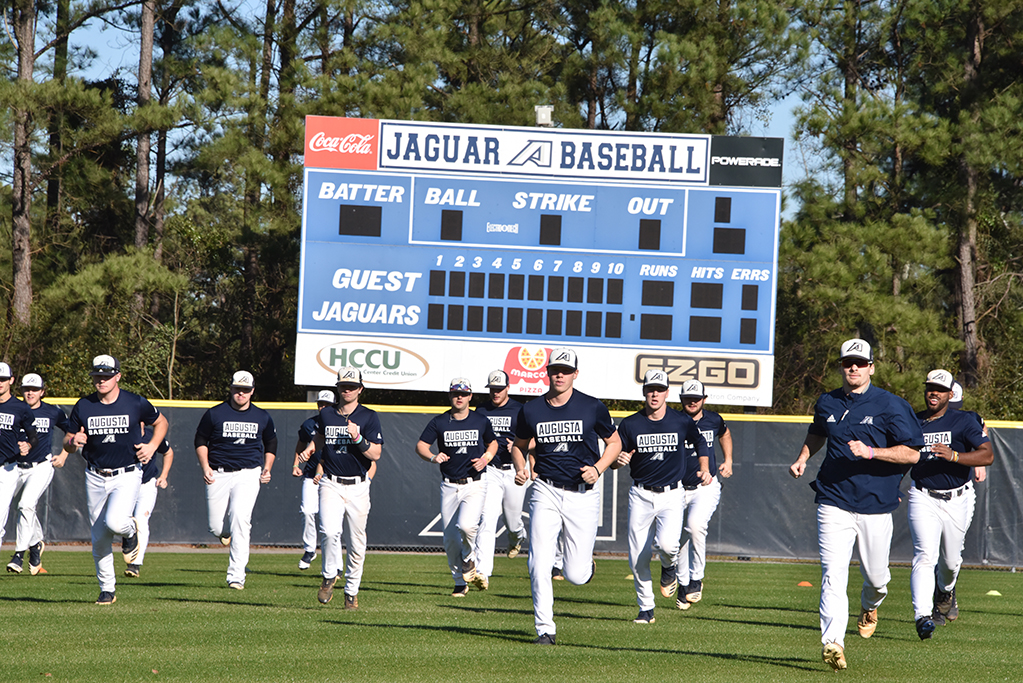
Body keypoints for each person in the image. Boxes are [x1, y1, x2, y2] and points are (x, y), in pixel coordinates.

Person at [789, 339, 922, 671]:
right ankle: (833, 642)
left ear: (871, 368)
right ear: (841, 366)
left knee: (877, 579)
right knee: (833, 575)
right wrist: (804, 456)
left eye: (860, 363)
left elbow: (913, 453)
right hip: (833, 500)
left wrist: (873, 452)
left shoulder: (891, 405)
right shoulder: (827, 401)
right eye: (848, 362)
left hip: (875, 504)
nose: (853, 367)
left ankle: (870, 604)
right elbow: (818, 430)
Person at [510, 347, 622, 645]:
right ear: (547, 372)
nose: (559, 374)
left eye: (565, 370)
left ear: (575, 374)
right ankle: (545, 629)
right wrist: (521, 468)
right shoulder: (531, 409)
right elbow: (518, 446)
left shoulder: (592, 407)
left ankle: (585, 570)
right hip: (545, 489)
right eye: (554, 369)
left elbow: (614, 443)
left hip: (582, 494)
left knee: (574, 573)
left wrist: (598, 468)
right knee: (538, 562)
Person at [65, 355, 168, 605]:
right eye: (97, 376)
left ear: (118, 376)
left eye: (106, 375)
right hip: (95, 475)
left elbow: (161, 422)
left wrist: (152, 446)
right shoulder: (84, 405)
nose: (101, 380)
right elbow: (67, 441)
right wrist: (72, 443)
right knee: (99, 536)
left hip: (127, 473)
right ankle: (107, 588)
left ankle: (130, 531)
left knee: (114, 521)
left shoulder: (134, 402)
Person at [614, 370, 711, 624]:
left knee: (668, 545)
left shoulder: (680, 421)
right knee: (638, 557)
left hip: (672, 493)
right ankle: (646, 609)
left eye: (659, 389)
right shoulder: (630, 423)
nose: (654, 393)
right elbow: (615, 455)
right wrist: (617, 460)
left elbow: (700, 442)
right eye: (650, 389)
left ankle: (669, 567)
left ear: (667, 392)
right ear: (644, 391)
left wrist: (705, 466)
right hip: (641, 493)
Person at [908, 370, 992, 639]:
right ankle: (922, 616)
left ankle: (945, 590)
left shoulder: (963, 421)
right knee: (924, 556)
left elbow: (987, 455)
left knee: (951, 561)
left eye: (940, 389)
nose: (934, 392)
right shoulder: (913, 421)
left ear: (949, 394)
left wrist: (955, 455)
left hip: (958, 497)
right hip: (922, 495)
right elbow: (903, 454)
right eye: (930, 387)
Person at [299, 368, 383, 609]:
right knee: (329, 532)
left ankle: (351, 592)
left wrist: (358, 439)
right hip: (330, 482)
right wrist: (310, 448)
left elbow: (375, 453)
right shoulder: (327, 415)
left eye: (352, 386)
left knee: (356, 543)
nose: (347, 389)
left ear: (360, 389)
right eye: (343, 385)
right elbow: (321, 438)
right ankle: (328, 576)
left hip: (358, 485)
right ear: (337, 387)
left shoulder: (368, 416)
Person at [195, 370, 277, 590]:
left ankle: (236, 576)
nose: (241, 393)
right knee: (216, 527)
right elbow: (200, 440)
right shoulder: (215, 414)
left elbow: (271, 443)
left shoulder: (262, 416)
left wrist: (267, 468)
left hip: (248, 473)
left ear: (252, 391)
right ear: (230, 389)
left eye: (245, 390)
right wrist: (206, 467)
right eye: (237, 389)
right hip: (218, 473)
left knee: (240, 518)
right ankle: (225, 534)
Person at [417, 377, 497, 597]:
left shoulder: (480, 420)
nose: (459, 397)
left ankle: (469, 558)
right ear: (450, 396)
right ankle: (460, 582)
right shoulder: (440, 421)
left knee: (467, 525)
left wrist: (487, 458)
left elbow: (493, 442)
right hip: (450, 485)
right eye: (455, 393)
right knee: (451, 539)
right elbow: (421, 446)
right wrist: (433, 457)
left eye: (463, 393)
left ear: (470, 396)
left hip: (475, 483)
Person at [675, 378, 734, 607]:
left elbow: (725, 434)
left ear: (704, 399)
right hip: (677, 487)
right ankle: (683, 583)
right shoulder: (673, 421)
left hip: (706, 486)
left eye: (696, 398)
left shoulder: (713, 419)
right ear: (681, 399)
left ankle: (696, 577)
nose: (692, 402)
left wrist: (728, 460)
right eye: (688, 398)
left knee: (696, 525)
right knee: (675, 540)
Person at [6, 374, 67, 575]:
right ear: (21, 390)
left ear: (42, 391)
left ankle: (18, 555)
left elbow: (72, 431)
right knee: (20, 507)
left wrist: (65, 454)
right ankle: (35, 544)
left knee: (25, 505)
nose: (30, 392)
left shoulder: (52, 412)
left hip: (41, 465)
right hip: (14, 466)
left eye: (34, 389)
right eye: (26, 389)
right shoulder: (13, 409)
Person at [473, 369, 529, 584]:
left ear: (508, 388)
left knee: (512, 520)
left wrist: (518, 446)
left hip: (514, 469)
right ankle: (483, 572)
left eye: (499, 389)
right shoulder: (481, 410)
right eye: (492, 389)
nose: (495, 393)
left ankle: (517, 536)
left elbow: (534, 440)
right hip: (492, 470)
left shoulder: (520, 410)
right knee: (487, 519)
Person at [0, 365, 40, 573]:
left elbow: (33, 435)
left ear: (11, 381)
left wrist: (29, 444)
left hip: (6, 469)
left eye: (3, 378)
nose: (0, 382)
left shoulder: (20, 408)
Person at [292, 389, 336, 571]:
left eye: (327, 404)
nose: (323, 407)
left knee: (331, 522)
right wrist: (296, 465)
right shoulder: (309, 424)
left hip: (332, 475)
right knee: (307, 512)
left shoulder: (339, 423)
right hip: (310, 474)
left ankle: (335, 562)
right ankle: (310, 549)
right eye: (321, 404)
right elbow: (301, 444)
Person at [123, 425, 174, 579]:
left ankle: (135, 565)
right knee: (121, 521)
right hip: (126, 484)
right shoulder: (124, 435)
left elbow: (168, 452)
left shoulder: (153, 437)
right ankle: (130, 537)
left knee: (142, 520)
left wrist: (164, 475)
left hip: (147, 485)